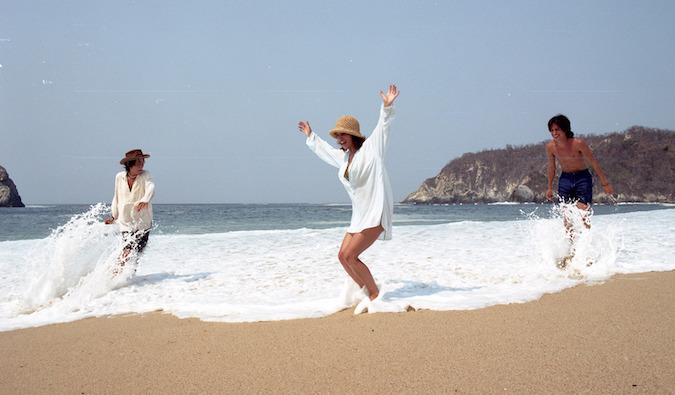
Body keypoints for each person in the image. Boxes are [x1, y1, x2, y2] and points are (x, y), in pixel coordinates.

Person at [298, 84, 400, 306]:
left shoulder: (372, 149)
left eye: (344, 134)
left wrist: (386, 107)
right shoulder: (343, 158)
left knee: (352, 256)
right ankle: (366, 291)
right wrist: (311, 136)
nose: (340, 137)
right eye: (338, 134)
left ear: (354, 135)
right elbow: (325, 151)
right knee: (342, 257)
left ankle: (374, 295)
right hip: (359, 216)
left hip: (375, 212)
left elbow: (383, 126)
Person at [545, 115, 613, 263]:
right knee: (567, 217)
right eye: (551, 130)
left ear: (565, 129)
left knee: (583, 214)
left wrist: (605, 183)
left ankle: (586, 251)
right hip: (565, 180)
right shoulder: (550, 147)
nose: (554, 133)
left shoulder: (579, 143)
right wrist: (549, 187)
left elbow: (593, 163)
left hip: (583, 178)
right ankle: (570, 251)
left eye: (557, 129)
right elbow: (552, 167)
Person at [104, 149, 155, 275]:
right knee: (128, 249)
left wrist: (145, 200)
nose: (141, 165)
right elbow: (116, 196)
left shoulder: (145, 175)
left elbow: (151, 187)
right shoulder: (119, 177)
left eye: (142, 162)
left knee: (137, 252)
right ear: (129, 164)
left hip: (143, 221)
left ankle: (129, 277)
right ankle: (113, 275)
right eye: (138, 163)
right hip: (126, 221)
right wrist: (114, 216)